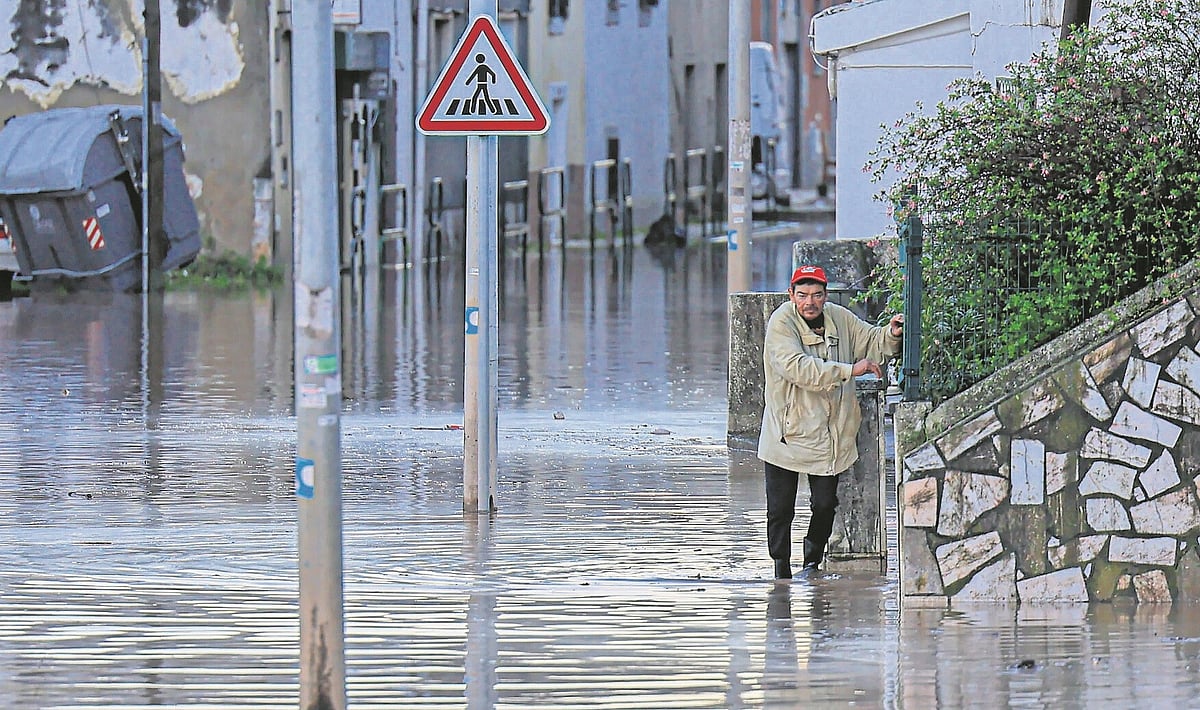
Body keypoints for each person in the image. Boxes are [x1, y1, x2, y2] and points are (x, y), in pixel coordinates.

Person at [758, 265, 903, 580]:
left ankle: (811, 562)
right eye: (803, 295)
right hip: (787, 431)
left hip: (830, 434)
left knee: (825, 504)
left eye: (817, 295)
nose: (810, 302)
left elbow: (871, 340)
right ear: (791, 295)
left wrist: (892, 334)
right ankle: (781, 571)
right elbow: (800, 369)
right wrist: (851, 370)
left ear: (825, 296)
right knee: (780, 510)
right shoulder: (781, 323)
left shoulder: (839, 317)